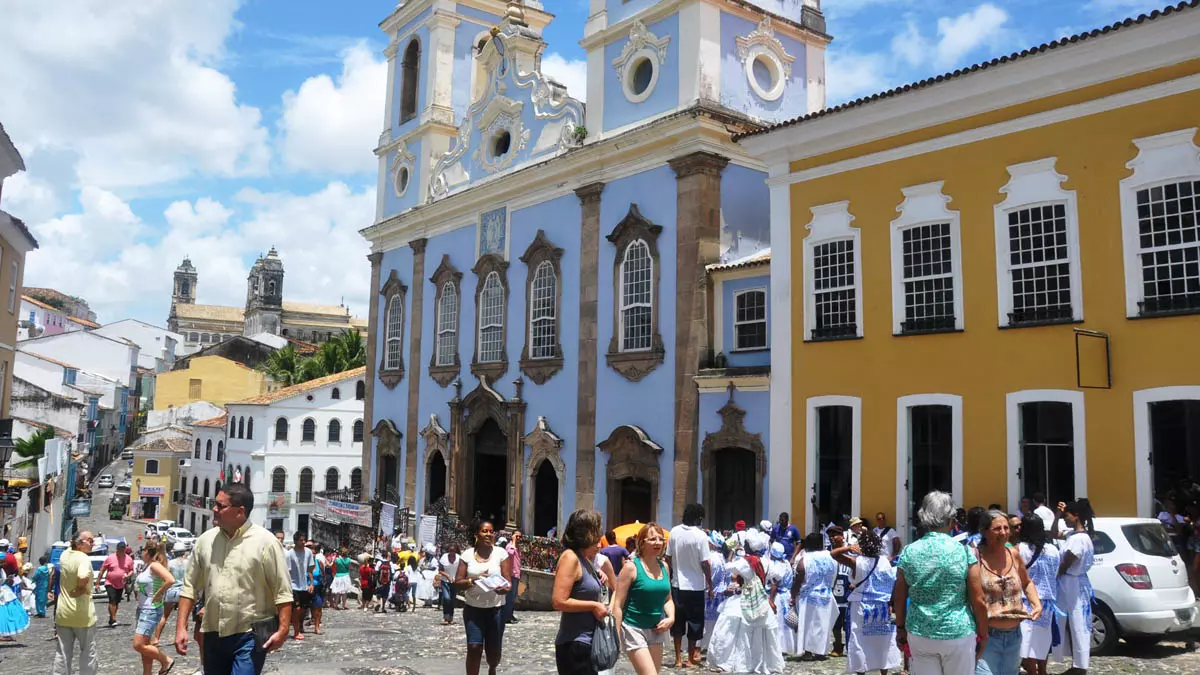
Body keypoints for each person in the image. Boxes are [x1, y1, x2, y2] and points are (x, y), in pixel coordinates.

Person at [175, 483, 293, 675]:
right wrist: (181, 628)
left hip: (251, 634)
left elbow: (283, 590)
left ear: (240, 511)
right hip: (213, 632)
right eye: (215, 504)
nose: (214, 509)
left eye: (221, 506)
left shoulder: (266, 542)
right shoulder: (205, 541)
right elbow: (189, 588)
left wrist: (283, 630)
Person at [893, 491, 987, 675]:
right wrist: (983, 632)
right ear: (951, 520)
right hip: (958, 631)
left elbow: (899, 596)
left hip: (920, 631)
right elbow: (978, 599)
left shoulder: (909, 552)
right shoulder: (964, 552)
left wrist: (900, 628)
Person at [974, 510, 1041, 675]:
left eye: (1006, 528)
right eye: (997, 529)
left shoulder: (1014, 554)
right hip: (986, 636)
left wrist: (1036, 603)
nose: (1003, 533)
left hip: (1014, 635)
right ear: (984, 531)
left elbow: (1026, 582)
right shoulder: (975, 557)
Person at [832, 530, 901, 675]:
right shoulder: (885, 562)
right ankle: (884, 672)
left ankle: (861, 671)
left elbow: (834, 554)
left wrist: (848, 548)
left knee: (859, 640)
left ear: (861, 545)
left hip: (861, 606)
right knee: (882, 640)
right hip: (881, 607)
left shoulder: (857, 562)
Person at [612, 523, 674, 675]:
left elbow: (668, 599)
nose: (658, 542)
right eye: (652, 539)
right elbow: (618, 604)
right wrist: (616, 636)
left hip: (656, 629)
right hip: (634, 628)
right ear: (642, 542)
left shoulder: (664, 566)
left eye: (660, 539)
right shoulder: (631, 568)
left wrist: (671, 618)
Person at [551, 509, 608, 675]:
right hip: (574, 644)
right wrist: (593, 606)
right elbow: (559, 601)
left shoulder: (585, 560)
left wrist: (598, 576)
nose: (600, 535)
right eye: (597, 530)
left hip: (587, 642)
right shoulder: (570, 557)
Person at [454, 519, 513, 675]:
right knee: (474, 648)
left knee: (493, 653)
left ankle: (492, 668)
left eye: (491, 531)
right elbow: (458, 582)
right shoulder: (467, 555)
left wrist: (504, 589)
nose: (488, 534)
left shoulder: (501, 553)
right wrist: (472, 580)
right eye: (484, 531)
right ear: (476, 534)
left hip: (496, 610)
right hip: (474, 609)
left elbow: (508, 582)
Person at [708, 555, 784, 674]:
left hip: (744, 598)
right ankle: (759, 662)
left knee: (733, 631)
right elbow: (778, 577)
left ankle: (731, 661)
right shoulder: (766, 564)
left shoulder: (747, 562)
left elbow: (728, 567)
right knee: (760, 630)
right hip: (758, 599)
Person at [664, 503, 712, 668]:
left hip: (677, 585)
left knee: (677, 622)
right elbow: (705, 563)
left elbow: (668, 557)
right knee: (695, 622)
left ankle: (678, 659)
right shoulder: (701, 536)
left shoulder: (674, 532)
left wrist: (672, 573)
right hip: (696, 586)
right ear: (698, 517)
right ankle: (691, 658)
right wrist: (711, 585)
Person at [1052, 499, 1095, 675]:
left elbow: (1067, 561)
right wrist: (1057, 515)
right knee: (1068, 620)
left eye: (1067, 515)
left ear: (1076, 516)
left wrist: (1056, 575)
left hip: (1072, 582)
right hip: (1071, 581)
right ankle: (1076, 662)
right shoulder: (1072, 535)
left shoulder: (1079, 540)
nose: (1066, 518)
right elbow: (1053, 533)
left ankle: (1081, 666)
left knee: (1078, 622)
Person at [1018, 518, 1060, 675]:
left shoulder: (1021, 549)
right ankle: (1043, 671)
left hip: (1027, 601)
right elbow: (1055, 573)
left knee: (1027, 643)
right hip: (1047, 603)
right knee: (1042, 643)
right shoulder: (1053, 550)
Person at [53, 531, 98, 675]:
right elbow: (82, 575)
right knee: (87, 651)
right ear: (79, 543)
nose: (93, 544)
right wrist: (81, 589)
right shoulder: (83, 558)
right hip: (82, 614)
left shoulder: (65, 555)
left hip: (63, 612)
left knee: (62, 652)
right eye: (90, 541)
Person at [789, 532, 836, 660]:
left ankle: (809, 652)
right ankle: (821, 651)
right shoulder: (830, 556)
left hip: (808, 596)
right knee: (822, 624)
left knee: (808, 624)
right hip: (826, 594)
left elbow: (799, 576)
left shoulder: (806, 558)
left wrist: (793, 594)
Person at [132, 540, 176, 675]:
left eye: (143, 551)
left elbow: (170, 579)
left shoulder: (155, 566)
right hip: (143, 608)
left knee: (138, 645)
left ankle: (166, 660)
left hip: (149, 610)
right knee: (145, 647)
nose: (141, 554)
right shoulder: (148, 566)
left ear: (147, 552)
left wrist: (159, 593)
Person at [153, 543, 189, 647]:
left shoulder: (170, 563)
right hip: (183, 591)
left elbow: (165, 577)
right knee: (184, 617)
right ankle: (183, 638)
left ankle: (156, 638)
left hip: (171, 591)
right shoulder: (188, 563)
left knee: (164, 616)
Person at [763, 543, 794, 659]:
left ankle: (778, 647)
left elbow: (775, 584)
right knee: (786, 622)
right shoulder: (786, 563)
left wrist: (770, 599)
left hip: (778, 596)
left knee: (778, 622)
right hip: (787, 595)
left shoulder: (776, 566)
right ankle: (787, 646)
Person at [699, 530, 729, 650]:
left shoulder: (711, 558)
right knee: (716, 622)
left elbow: (707, 576)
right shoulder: (722, 558)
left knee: (707, 622)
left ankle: (703, 645)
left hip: (710, 592)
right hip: (720, 593)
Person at [827, 525, 852, 656]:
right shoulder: (828, 551)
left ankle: (851, 646)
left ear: (841, 535)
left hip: (848, 587)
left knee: (849, 621)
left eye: (834, 535)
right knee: (836, 622)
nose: (832, 538)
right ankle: (837, 645)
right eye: (830, 536)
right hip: (834, 589)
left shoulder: (850, 548)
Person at [285, 533, 315, 641]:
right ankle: (296, 632)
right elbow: (287, 571)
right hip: (293, 586)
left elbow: (310, 569)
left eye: (304, 540)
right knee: (296, 609)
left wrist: (311, 583)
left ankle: (299, 625)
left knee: (302, 610)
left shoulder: (308, 553)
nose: (303, 542)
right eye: (301, 540)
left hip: (304, 586)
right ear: (295, 541)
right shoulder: (289, 554)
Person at [100, 541, 135, 627]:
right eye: (120, 550)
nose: (121, 551)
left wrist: (128, 575)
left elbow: (131, 570)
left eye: (123, 550)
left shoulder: (129, 559)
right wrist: (98, 582)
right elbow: (102, 569)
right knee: (112, 600)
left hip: (121, 583)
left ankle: (111, 619)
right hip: (110, 582)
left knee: (116, 602)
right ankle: (113, 618)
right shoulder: (110, 558)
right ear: (117, 549)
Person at [438, 543, 462, 625]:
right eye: (450, 550)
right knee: (446, 598)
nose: (452, 552)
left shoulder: (459, 558)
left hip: (454, 581)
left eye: (453, 550)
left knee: (452, 600)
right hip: (445, 581)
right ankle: (445, 617)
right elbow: (440, 570)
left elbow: (461, 570)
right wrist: (447, 575)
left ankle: (450, 617)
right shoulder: (444, 558)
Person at [504, 532, 522, 624]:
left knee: (513, 597)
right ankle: (507, 616)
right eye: (516, 536)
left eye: (520, 536)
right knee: (510, 597)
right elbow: (509, 554)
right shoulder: (510, 546)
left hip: (516, 575)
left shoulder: (517, 548)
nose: (518, 538)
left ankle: (510, 614)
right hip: (511, 575)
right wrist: (514, 541)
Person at [308, 542, 325, 633]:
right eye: (311, 554)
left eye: (314, 553)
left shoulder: (319, 562)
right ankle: (300, 627)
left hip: (318, 588)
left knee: (318, 607)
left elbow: (323, 574)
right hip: (306, 588)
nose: (313, 555)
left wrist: (324, 584)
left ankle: (317, 627)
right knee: (303, 610)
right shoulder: (304, 564)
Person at [418, 544, 441, 609]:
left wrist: (426, 568)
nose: (426, 555)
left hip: (431, 576)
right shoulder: (424, 559)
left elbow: (433, 568)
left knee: (429, 589)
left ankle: (430, 602)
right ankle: (426, 602)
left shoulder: (434, 560)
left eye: (427, 554)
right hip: (426, 577)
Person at [33, 554, 51, 619]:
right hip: (45, 585)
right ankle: (42, 612)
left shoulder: (40, 569)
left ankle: (40, 613)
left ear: (40, 562)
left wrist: (33, 580)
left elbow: (36, 576)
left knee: (38, 599)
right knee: (43, 599)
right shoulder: (47, 568)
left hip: (40, 585)